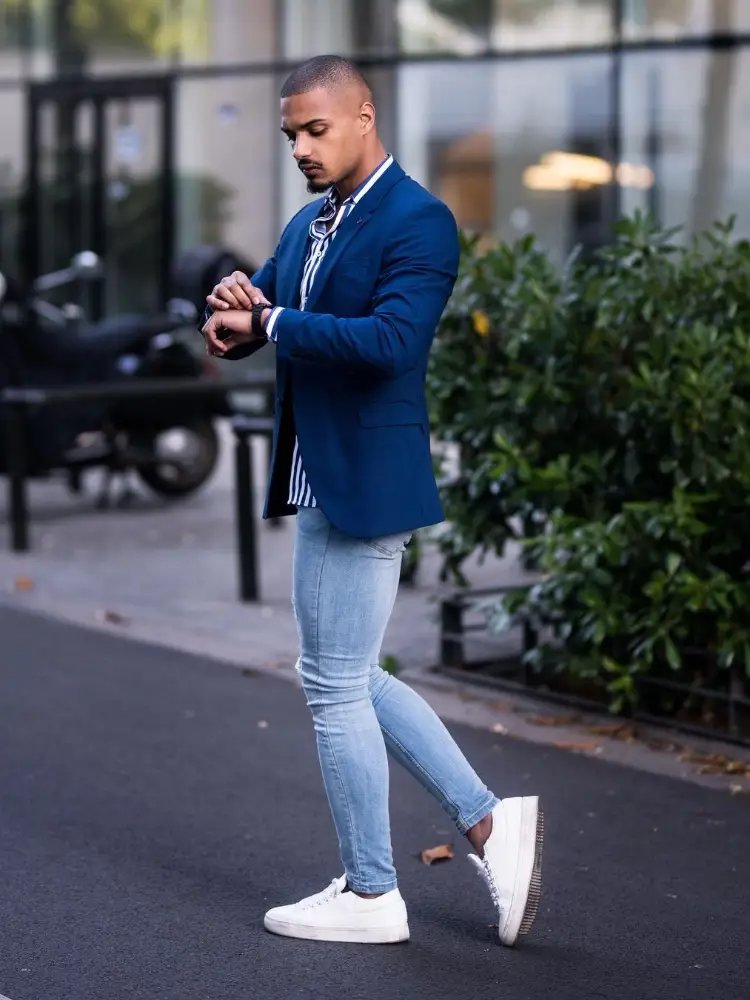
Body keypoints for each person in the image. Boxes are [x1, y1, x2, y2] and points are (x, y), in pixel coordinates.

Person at [200, 54, 543, 947]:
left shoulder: (417, 220)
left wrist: (270, 322)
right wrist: (235, 315)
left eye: (316, 129)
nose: (303, 149)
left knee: (334, 686)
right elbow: (268, 313)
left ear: (364, 115)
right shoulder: (313, 221)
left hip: (369, 479)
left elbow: (390, 342)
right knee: (347, 676)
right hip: (322, 473)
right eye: (290, 137)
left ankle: (371, 893)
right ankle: (487, 825)